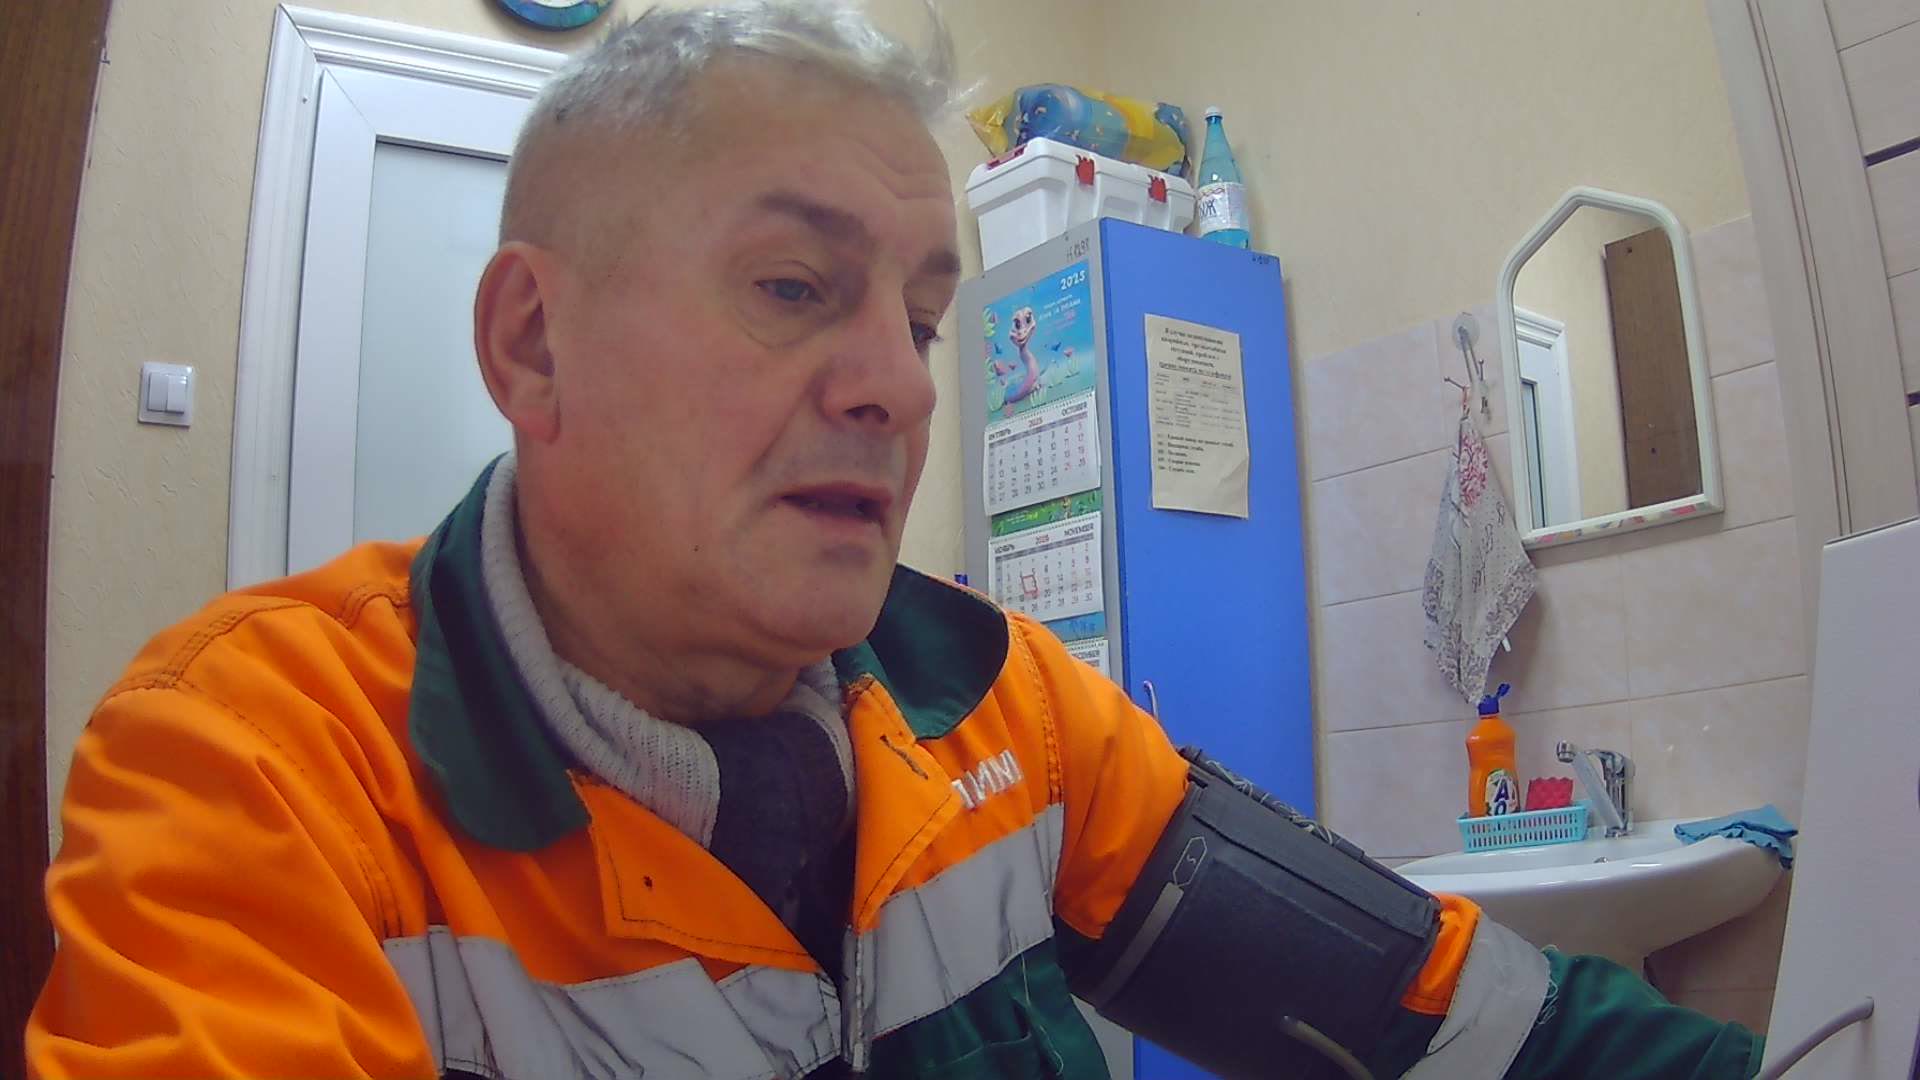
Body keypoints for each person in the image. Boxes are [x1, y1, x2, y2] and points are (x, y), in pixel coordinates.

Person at [27, 3, 1765, 1077]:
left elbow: (1449, 1019)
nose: (900, 386)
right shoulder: (256, 763)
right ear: (534, 346)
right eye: (797, 288)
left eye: (923, 319)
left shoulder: (1005, 705)